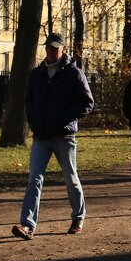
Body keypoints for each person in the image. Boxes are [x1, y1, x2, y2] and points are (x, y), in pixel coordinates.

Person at [12, 32, 95, 240]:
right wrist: (32, 118)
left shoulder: (74, 74)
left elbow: (87, 102)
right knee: (34, 180)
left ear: (64, 50)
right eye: (48, 47)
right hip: (41, 136)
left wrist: (64, 118)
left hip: (64, 137)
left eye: (55, 48)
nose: (51, 50)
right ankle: (27, 225)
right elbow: (28, 100)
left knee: (71, 178)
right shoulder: (36, 74)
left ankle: (78, 216)